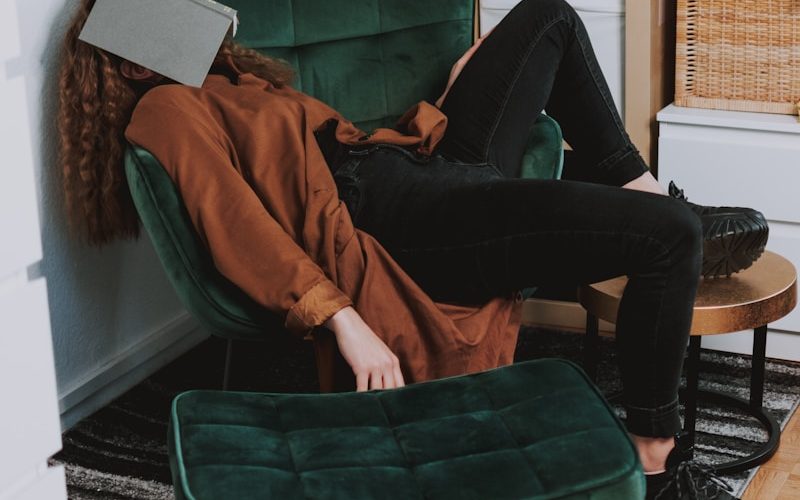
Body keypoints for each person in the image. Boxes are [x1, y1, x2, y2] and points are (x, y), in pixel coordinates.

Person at [58, 0, 749, 498]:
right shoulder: (166, 111)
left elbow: (330, 142)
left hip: (415, 164)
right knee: (670, 241)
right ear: (132, 57)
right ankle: (654, 457)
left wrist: (451, 95)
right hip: (406, 217)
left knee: (551, 17)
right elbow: (236, 221)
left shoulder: (221, 84)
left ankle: (651, 194)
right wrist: (342, 318)